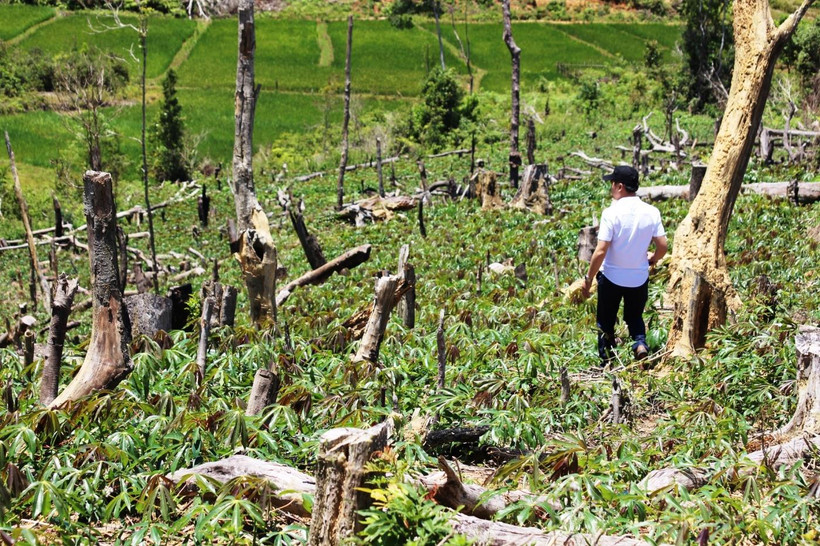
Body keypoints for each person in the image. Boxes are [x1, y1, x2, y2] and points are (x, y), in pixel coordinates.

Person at [581, 166, 667, 363]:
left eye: (612, 184)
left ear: (619, 186)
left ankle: (608, 360)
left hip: (611, 277)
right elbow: (662, 245)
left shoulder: (611, 213)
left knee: (606, 321)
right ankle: (640, 344)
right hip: (638, 278)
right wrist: (653, 258)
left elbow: (601, 250)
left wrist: (588, 278)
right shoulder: (651, 211)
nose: (611, 188)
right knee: (634, 316)